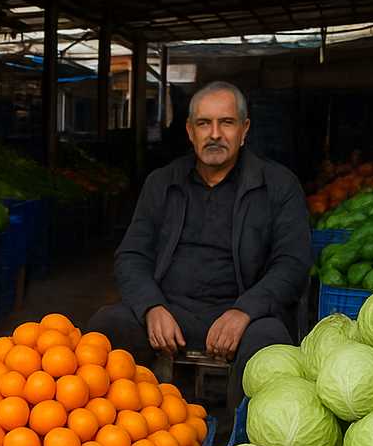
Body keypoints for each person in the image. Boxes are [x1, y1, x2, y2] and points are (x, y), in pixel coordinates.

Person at [88, 81, 311, 406]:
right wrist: (151, 306)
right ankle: (122, 439)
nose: (215, 134)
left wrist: (245, 310)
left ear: (244, 129)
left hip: (241, 313)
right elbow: (131, 254)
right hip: (169, 310)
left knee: (270, 345)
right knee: (104, 329)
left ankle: (242, 442)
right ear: (190, 131)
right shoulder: (163, 182)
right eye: (204, 123)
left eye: (227, 122)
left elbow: (293, 262)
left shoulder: (277, 185)